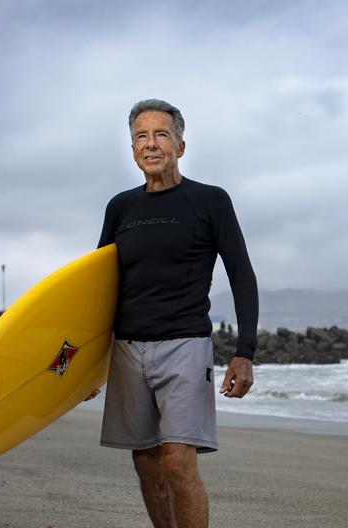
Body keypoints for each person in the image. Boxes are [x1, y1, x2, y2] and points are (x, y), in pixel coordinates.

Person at [95, 98, 258, 528]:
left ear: (180, 146)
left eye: (161, 134)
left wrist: (245, 352)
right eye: (141, 137)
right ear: (132, 149)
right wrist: (85, 366)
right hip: (127, 349)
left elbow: (241, 274)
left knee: (178, 460)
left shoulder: (209, 201)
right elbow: (99, 287)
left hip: (185, 344)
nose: (151, 144)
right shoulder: (120, 208)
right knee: (147, 463)